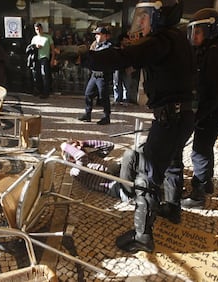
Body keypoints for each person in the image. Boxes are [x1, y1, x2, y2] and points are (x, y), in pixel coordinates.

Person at [88, 0, 194, 252]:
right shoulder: (176, 39)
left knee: (147, 175)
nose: (141, 23)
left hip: (171, 118)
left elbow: (125, 56)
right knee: (172, 162)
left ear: (159, 17)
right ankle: (172, 208)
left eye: (145, 18)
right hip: (183, 116)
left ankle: (142, 236)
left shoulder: (161, 40)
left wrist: (85, 56)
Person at [181, 9, 218, 209]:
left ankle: (198, 195)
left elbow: (214, 91)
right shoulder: (217, 48)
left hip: (213, 110)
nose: (194, 36)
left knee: (199, 151)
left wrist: (199, 116)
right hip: (217, 109)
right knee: (205, 146)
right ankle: (207, 184)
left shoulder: (215, 52)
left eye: (198, 32)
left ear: (211, 31)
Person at [60, 139, 130, 201]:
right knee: (135, 187)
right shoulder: (74, 171)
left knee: (130, 154)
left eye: (78, 145)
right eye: (75, 148)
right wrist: (66, 146)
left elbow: (109, 146)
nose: (79, 147)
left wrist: (85, 143)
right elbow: (81, 157)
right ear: (71, 159)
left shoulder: (91, 156)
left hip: (121, 172)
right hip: (116, 185)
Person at [78, 26, 113, 125]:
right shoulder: (95, 44)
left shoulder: (108, 46)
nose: (96, 36)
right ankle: (87, 114)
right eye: (96, 34)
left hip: (102, 75)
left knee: (103, 96)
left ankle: (106, 117)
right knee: (88, 93)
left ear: (105, 36)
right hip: (94, 74)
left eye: (98, 34)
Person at [30, 23, 55, 98]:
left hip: (44, 57)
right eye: (37, 29)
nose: (38, 31)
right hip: (36, 58)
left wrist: (52, 59)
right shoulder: (34, 38)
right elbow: (31, 48)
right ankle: (39, 90)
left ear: (42, 29)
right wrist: (35, 46)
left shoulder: (48, 37)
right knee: (37, 75)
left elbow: (53, 49)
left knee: (44, 75)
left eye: (39, 29)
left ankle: (46, 92)